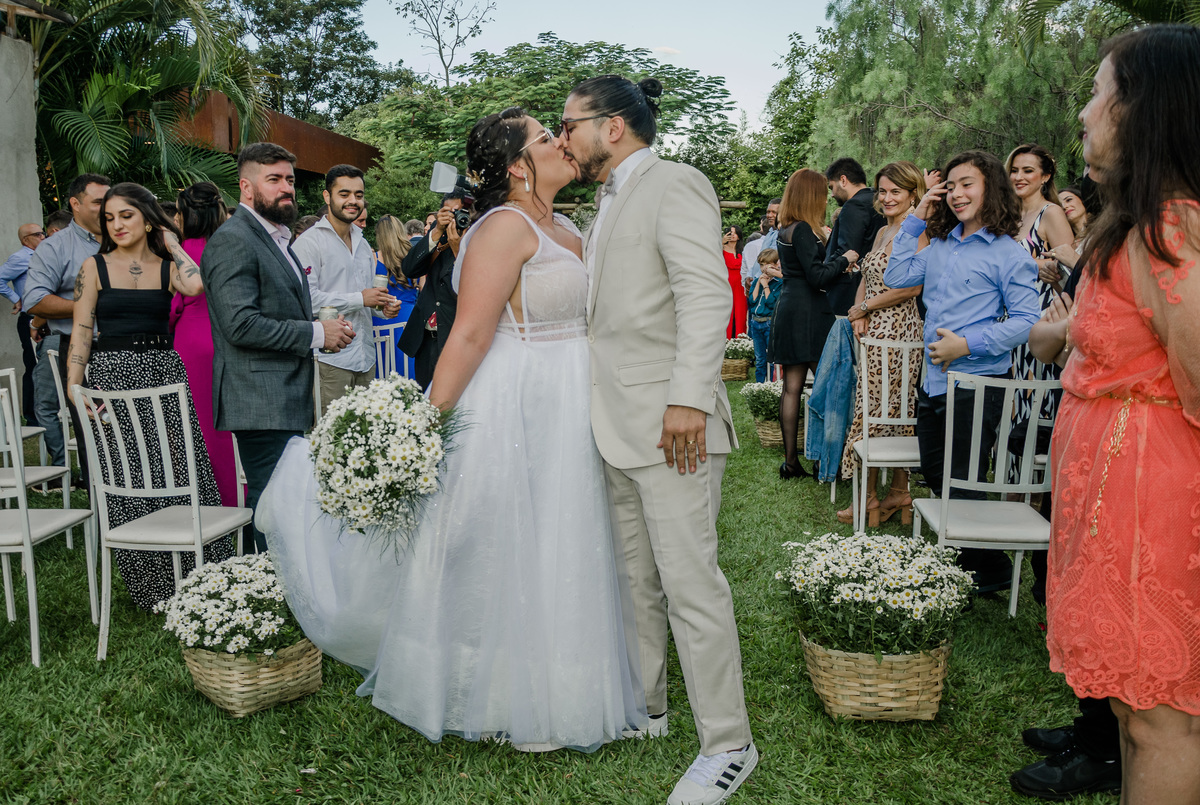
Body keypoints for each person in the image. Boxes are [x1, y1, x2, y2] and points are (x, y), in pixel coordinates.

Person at [259, 107, 644, 753]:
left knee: (562, 534)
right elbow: (468, 334)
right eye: (545, 137)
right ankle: (492, 686)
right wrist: (424, 424)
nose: (562, 142)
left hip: (572, 400)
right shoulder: (502, 227)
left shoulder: (568, 226)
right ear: (518, 165)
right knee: (503, 539)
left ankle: (566, 675)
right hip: (518, 400)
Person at [563, 74, 756, 805]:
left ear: (612, 127)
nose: (563, 137)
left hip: (674, 427)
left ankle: (729, 743)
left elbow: (706, 294)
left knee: (690, 583)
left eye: (570, 124)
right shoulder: (604, 203)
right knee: (635, 577)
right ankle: (649, 708)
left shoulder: (675, 182)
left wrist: (687, 400)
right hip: (615, 423)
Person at [1042, 25, 1200, 804]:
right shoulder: (1136, 224)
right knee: (1134, 714)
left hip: (1154, 514)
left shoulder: (1175, 229)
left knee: (1160, 720)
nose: (1084, 112)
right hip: (1116, 511)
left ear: (1147, 109)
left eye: (1099, 91)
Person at [65, 182, 232, 610]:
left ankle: (197, 572)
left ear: (147, 217)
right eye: (109, 218)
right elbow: (82, 331)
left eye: (126, 215)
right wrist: (74, 387)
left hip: (163, 372)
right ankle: (150, 581)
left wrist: (172, 241)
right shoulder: (93, 267)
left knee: (180, 466)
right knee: (128, 474)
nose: (116, 225)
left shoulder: (168, 266)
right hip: (111, 377)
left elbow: (196, 287)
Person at [884, 150, 1040, 592]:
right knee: (937, 472)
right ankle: (987, 564)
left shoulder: (1009, 253)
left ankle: (977, 571)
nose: (956, 194)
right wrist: (916, 216)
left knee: (964, 477)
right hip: (934, 380)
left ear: (991, 188)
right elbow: (896, 276)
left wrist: (966, 345)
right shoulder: (940, 245)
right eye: (950, 186)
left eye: (967, 184)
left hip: (979, 382)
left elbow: (1027, 320)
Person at [201, 142, 354, 554]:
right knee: (271, 505)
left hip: (284, 394)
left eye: (289, 179)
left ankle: (282, 582)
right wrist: (317, 334)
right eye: (274, 179)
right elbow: (240, 324)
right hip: (258, 397)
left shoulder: (278, 238)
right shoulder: (234, 239)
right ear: (246, 187)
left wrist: (326, 331)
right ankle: (270, 582)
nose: (286, 187)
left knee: (285, 502)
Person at [835, 161, 928, 525]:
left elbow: (912, 287)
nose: (887, 198)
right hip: (874, 330)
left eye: (896, 192)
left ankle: (874, 496)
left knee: (889, 409)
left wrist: (866, 307)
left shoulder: (916, 230)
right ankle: (890, 493)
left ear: (912, 195)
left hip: (900, 331)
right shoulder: (882, 230)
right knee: (876, 405)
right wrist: (859, 313)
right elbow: (867, 277)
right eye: (883, 191)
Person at [292, 165, 399, 414]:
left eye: (359, 195)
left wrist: (383, 309)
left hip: (366, 358)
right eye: (344, 194)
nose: (353, 201)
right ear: (327, 196)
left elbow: (367, 300)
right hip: (330, 361)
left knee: (366, 433)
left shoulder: (363, 244)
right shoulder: (309, 243)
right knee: (331, 435)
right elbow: (305, 300)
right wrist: (360, 299)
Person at [23, 172, 110, 476]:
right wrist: (90, 307)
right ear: (75, 203)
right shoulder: (56, 247)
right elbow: (34, 300)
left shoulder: (127, 238)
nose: (106, 208)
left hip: (133, 349)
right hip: (83, 351)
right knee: (95, 439)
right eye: (98, 202)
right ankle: (100, 501)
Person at [167, 182, 239, 508]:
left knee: (196, 428)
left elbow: (173, 306)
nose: (176, 219)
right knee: (224, 427)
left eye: (178, 213)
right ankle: (235, 498)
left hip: (192, 343)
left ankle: (211, 503)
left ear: (187, 215)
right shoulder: (228, 244)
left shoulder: (183, 251)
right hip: (227, 338)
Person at [1006, 144, 1076, 456]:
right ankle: (1009, 478)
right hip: (1007, 319)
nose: (1018, 177)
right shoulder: (1008, 216)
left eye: (1028, 171)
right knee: (1011, 402)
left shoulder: (1052, 213)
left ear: (1045, 176)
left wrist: (1038, 265)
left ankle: (1035, 480)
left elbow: (1067, 271)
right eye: (1014, 170)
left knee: (1034, 402)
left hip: (1040, 318)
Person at [768, 168, 832, 480]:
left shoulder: (785, 230)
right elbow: (817, 276)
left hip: (789, 308)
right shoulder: (804, 230)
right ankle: (824, 460)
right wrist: (844, 260)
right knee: (825, 386)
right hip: (809, 313)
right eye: (822, 194)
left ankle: (791, 462)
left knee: (791, 388)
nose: (826, 199)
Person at [400, 191, 466, 389]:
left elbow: (472, 287)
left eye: (459, 212)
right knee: (425, 399)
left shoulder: (478, 242)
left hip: (455, 340)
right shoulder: (438, 239)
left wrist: (459, 249)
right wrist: (437, 230)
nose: (454, 218)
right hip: (426, 341)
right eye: (449, 212)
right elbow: (409, 269)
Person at [823, 157, 886, 314]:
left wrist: (821, 271)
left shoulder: (854, 205)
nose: (832, 194)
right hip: (876, 289)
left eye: (832, 187)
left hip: (849, 293)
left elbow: (847, 252)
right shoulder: (878, 201)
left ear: (843, 180)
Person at [1, 223, 47, 428]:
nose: (43, 237)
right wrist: (15, 298)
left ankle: (48, 411)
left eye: (43, 233)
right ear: (25, 240)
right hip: (30, 319)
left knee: (48, 366)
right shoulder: (20, 258)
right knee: (33, 366)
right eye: (38, 234)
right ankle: (31, 417)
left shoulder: (44, 255)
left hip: (47, 318)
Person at [371, 214, 418, 379]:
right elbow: (423, 286)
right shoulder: (414, 257)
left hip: (382, 317)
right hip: (410, 318)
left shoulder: (373, 259)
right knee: (408, 370)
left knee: (384, 371)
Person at [748, 248, 782, 383]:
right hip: (755, 322)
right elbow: (752, 301)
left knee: (771, 358)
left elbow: (771, 303)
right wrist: (758, 283)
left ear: (775, 264)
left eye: (767, 264)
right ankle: (759, 385)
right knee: (760, 358)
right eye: (761, 265)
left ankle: (771, 384)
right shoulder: (757, 281)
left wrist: (766, 286)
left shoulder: (779, 283)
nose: (764, 268)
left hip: (768, 322)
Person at [741, 198, 781, 294]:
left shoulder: (783, 235)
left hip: (770, 285)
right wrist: (750, 276)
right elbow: (760, 259)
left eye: (774, 212)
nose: (769, 215)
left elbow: (771, 263)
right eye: (768, 212)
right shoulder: (769, 234)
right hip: (757, 283)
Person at [722, 224, 746, 338]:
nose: (732, 235)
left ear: (739, 236)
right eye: (730, 232)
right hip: (727, 283)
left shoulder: (742, 250)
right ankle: (726, 338)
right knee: (728, 310)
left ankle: (740, 338)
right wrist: (721, 243)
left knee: (740, 311)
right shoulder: (721, 248)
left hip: (740, 284)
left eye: (735, 233)